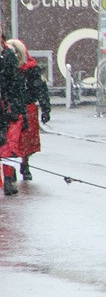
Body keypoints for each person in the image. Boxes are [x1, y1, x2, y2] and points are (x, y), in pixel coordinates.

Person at [0, 40, 49, 188]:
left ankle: (23, 164)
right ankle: (11, 170)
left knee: (23, 141)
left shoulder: (30, 69)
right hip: (14, 107)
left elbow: (40, 88)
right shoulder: (9, 67)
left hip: (25, 107)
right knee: (12, 142)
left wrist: (45, 107)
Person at [0, 36, 27, 196]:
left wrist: (18, 109)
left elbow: (15, 84)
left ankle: (9, 179)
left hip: (7, 109)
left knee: (8, 147)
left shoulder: (7, 56)